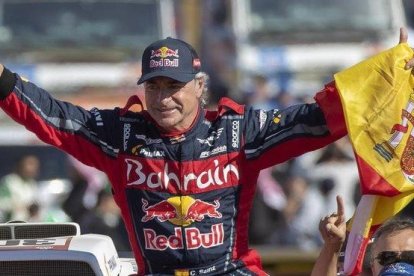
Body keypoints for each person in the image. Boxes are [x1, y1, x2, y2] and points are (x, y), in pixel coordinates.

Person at [0, 29, 412, 275]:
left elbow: (318, 120)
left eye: (174, 86)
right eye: (154, 86)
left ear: (199, 86)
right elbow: (51, 116)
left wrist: (388, 76)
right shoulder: (118, 135)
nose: (163, 98)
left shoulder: (238, 131)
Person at [0, 154, 40, 221]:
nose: (33, 168)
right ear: (21, 165)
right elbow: (2, 203)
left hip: (27, 225)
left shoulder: (33, 184)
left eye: (36, 165)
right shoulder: (9, 181)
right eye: (30, 164)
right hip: (10, 225)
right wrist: (20, 206)